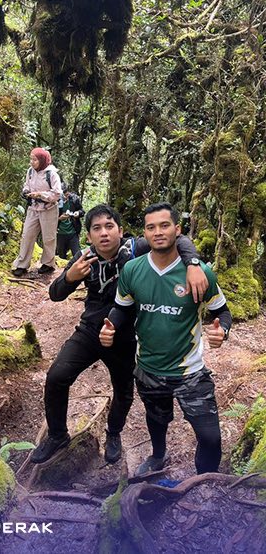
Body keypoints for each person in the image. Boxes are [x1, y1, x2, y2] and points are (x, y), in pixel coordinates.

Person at [32, 204, 207, 464]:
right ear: (89, 236)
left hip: (126, 337)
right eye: (96, 228)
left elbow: (179, 239)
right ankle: (58, 435)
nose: (104, 233)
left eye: (109, 226)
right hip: (90, 332)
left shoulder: (136, 249)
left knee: (123, 392)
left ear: (120, 230)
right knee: (57, 376)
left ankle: (113, 433)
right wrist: (69, 276)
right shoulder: (85, 257)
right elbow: (55, 294)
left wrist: (192, 264)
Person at [103, 203, 231, 475]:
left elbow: (222, 311)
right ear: (144, 233)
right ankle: (158, 455)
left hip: (191, 371)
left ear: (177, 229)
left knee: (210, 438)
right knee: (156, 419)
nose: (158, 232)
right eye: (151, 227)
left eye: (164, 225)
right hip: (149, 367)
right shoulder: (132, 270)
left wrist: (223, 331)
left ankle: (204, 480)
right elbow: (122, 308)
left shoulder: (200, 273)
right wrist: (111, 325)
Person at [11, 148, 62, 276]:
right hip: (33, 208)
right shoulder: (30, 172)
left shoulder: (52, 174)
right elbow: (27, 185)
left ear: (42, 160)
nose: (32, 162)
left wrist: (40, 195)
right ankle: (22, 265)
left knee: (48, 237)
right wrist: (26, 192)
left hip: (49, 209)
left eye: (35, 159)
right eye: (31, 159)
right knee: (27, 235)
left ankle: (48, 264)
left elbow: (57, 194)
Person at [55, 187, 85, 261]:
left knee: (77, 255)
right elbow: (49, 218)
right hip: (60, 233)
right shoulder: (55, 202)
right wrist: (59, 219)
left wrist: (78, 213)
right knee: (61, 257)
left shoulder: (74, 199)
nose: (66, 197)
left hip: (73, 232)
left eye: (67, 195)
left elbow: (82, 211)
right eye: (64, 196)